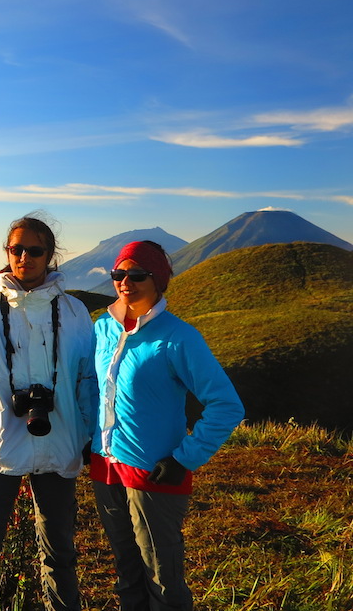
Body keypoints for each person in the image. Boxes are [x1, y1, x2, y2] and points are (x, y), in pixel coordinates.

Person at [91, 240, 244, 611]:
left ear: (158, 279)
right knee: (126, 572)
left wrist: (184, 458)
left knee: (163, 577)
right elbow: (88, 388)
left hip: (153, 473)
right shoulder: (103, 330)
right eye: (119, 274)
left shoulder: (179, 337)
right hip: (104, 467)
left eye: (137, 275)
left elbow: (227, 405)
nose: (126, 282)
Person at [0, 214, 97, 611]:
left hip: (59, 444)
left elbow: (87, 380)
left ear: (50, 256)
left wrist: (83, 433)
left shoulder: (74, 312)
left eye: (35, 250)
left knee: (60, 555)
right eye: (16, 249)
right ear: (7, 252)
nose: (24, 257)